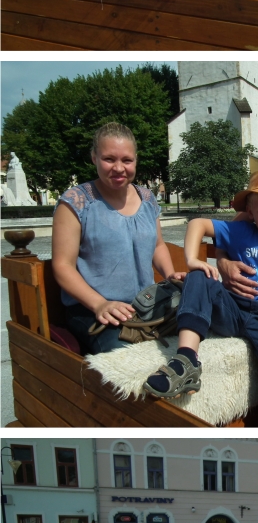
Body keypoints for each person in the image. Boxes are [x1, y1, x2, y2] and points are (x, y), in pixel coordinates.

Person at [143, 169, 258, 419]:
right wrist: (191, 259)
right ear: (251, 212)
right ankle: (186, 360)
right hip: (231, 307)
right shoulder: (240, 230)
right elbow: (197, 224)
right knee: (199, 274)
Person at [51, 118, 175, 352]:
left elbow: (158, 246)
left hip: (145, 305)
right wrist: (100, 304)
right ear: (94, 158)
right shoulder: (76, 202)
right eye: (109, 159)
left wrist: (170, 277)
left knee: (198, 330)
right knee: (128, 357)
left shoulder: (147, 199)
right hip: (91, 310)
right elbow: (62, 266)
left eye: (127, 160)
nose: (119, 168)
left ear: (135, 161)